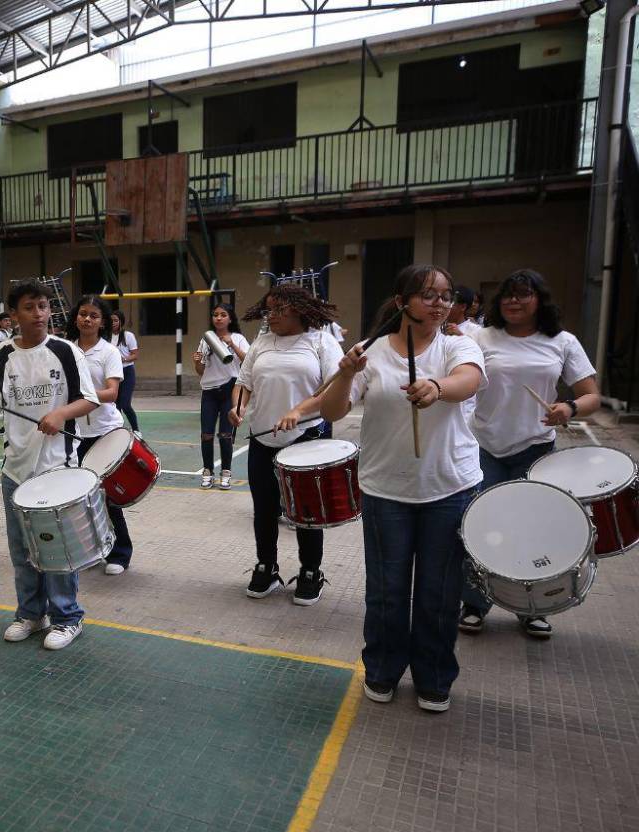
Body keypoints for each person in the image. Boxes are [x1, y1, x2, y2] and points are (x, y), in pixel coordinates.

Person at [320, 264, 486, 713]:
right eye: (428, 294)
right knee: (387, 591)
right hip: (385, 489)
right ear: (401, 302)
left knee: (439, 593)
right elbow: (333, 410)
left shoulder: (457, 344)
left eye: (445, 295)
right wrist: (344, 373)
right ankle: (382, 669)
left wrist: (436, 386)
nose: (439, 303)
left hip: (450, 488)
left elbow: (468, 380)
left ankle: (434, 676)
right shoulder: (368, 351)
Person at [459, 268, 601, 639]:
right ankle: (474, 604)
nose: (514, 301)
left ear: (540, 300)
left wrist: (569, 408)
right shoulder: (480, 336)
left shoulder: (562, 342)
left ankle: (531, 607)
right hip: (483, 446)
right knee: (479, 526)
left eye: (523, 294)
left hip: (535, 449)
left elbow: (592, 396)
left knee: (529, 529)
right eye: (508, 294)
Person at [0, 280, 98, 651]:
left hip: (57, 466)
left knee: (57, 549)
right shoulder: (2, 353)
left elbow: (90, 399)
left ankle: (67, 617)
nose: (39, 313)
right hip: (16, 467)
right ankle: (31, 614)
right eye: (29, 307)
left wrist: (60, 413)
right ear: (14, 314)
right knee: (22, 550)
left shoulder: (64, 350)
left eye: (43, 306)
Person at [233, 284, 343, 604]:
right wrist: (238, 406)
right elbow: (244, 383)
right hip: (262, 438)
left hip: (306, 439)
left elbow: (334, 390)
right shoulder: (261, 342)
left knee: (307, 511)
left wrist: (299, 410)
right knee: (264, 509)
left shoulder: (321, 341)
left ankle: (310, 571)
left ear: (299, 309)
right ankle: (266, 567)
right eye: (268, 310)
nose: (271, 316)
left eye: (279, 309)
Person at [69, 296, 133, 576]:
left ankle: (121, 552)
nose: (87, 319)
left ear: (103, 322)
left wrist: (81, 397)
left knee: (108, 496)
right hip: (75, 434)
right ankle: (95, 549)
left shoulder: (109, 352)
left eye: (94, 315)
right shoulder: (66, 349)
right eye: (83, 313)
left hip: (105, 432)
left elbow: (112, 393)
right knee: (82, 498)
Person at [193, 302, 249, 490]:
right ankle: (207, 471)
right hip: (209, 391)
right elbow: (201, 371)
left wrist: (232, 344)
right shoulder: (207, 339)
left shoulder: (238, 338)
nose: (218, 318)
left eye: (223, 315)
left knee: (225, 435)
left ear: (230, 318)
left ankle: (226, 472)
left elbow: (248, 361)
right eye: (215, 314)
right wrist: (197, 362)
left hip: (229, 389)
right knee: (206, 434)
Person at [110, 309, 140, 433]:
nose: (113, 323)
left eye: (115, 320)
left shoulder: (128, 336)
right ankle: (119, 432)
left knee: (125, 404)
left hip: (127, 371)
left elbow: (135, 355)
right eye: (111, 321)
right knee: (115, 406)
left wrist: (123, 359)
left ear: (121, 322)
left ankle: (136, 430)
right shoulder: (105, 337)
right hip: (112, 373)